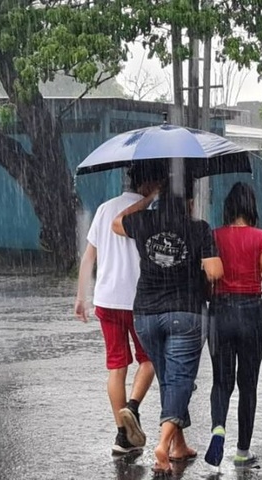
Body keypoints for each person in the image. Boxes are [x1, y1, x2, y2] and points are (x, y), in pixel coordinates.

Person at [112, 172, 223, 475]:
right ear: (189, 202)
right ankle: (162, 446)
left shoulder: (144, 221)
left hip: (145, 314)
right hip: (185, 313)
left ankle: (178, 445)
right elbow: (215, 271)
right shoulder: (198, 228)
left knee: (169, 379)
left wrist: (148, 199)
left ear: (161, 199)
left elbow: (117, 222)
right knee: (179, 379)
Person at [204, 182, 262, 469]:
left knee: (221, 381)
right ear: (251, 208)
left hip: (219, 314)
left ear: (229, 208)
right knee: (248, 385)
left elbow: (207, 278)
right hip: (251, 314)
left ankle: (218, 427)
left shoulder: (213, 236)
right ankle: (242, 452)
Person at [74, 163, 165, 455]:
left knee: (116, 366)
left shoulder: (104, 209)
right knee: (150, 359)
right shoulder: (149, 215)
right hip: (139, 300)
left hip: (106, 299)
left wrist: (81, 296)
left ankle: (122, 437)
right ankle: (132, 410)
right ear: (149, 184)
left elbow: (89, 257)